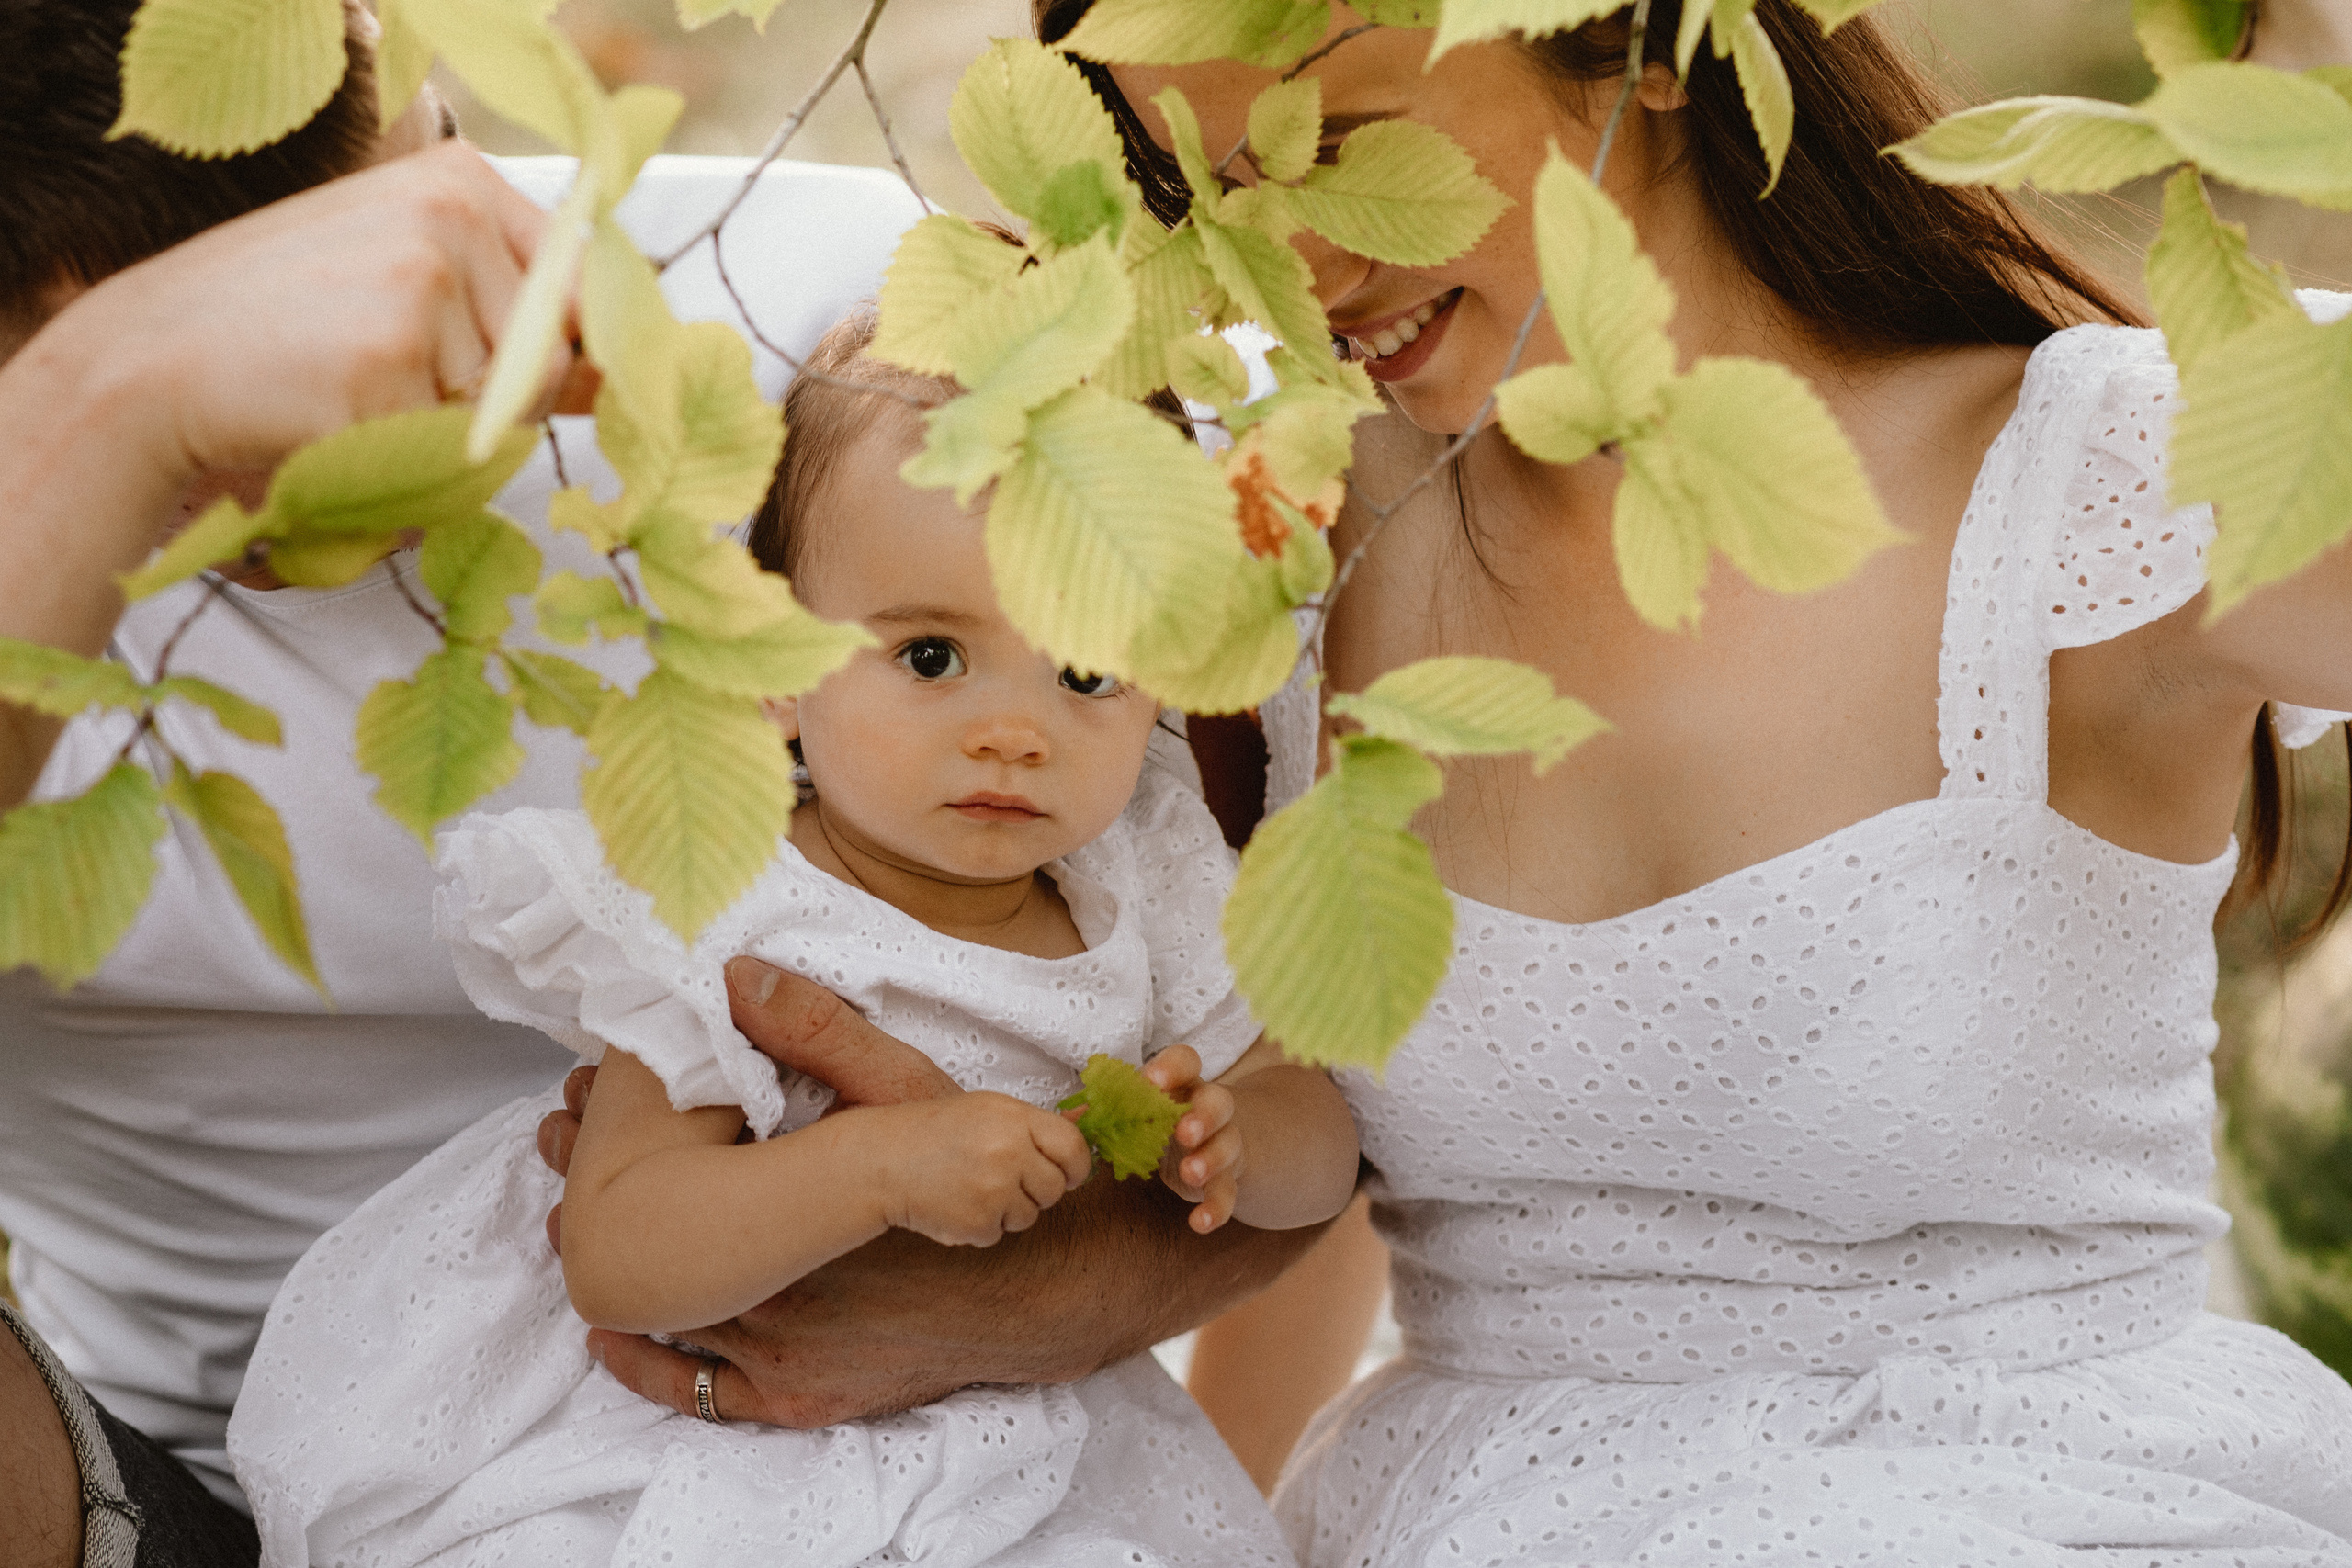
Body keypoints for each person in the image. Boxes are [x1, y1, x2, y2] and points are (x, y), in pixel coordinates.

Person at [1022, 0, 2352, 1561]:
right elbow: (1310, 1148)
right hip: (1476, 1520)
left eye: (1348, 145)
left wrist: (2312, 80)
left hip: (2032, 1505)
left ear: (1647, 43)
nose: (1300, 267)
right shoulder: (1288, 551)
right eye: (1219, 192)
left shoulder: (2100, 483)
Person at [0, 8, 1329, 1564]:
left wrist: (1048, 1297)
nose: (264, 466)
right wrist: (98, 422)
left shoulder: (871, 377)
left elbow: (1342, 1057)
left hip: (944, 1453)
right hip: (256, 1476)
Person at [225, 312, 1351, 1567]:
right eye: (932, 656)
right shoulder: (736, 900)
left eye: (1085, 673)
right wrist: (876, 1170)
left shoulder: (1146, 876)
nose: (1014, 730)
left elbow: (1321, 1135)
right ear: (773, 664)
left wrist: (1245, 1137)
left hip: (1021, 1436)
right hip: (695, 1437)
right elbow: (619, 1248)